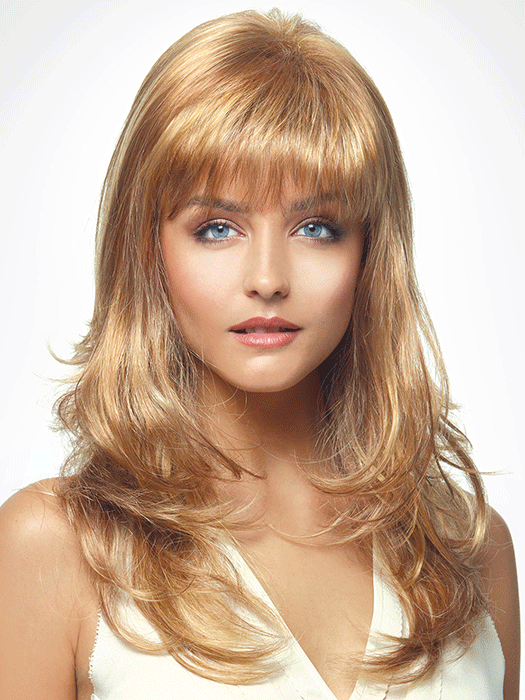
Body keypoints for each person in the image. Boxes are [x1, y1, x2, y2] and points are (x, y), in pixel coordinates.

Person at [0, 8, 519, 700]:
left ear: (370, 252)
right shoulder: (55, 547)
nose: (268, 278)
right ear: (148, 248)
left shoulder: (469, 551)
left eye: (316, 227)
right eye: (217, 228)